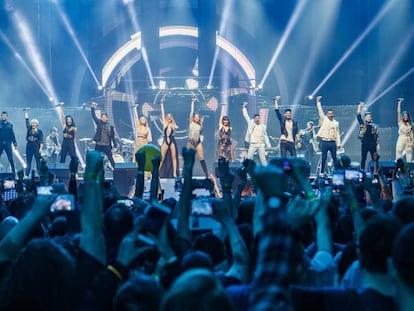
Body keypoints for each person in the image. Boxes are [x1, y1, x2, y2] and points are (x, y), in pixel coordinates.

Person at [315, 96, 341, 175]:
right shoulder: (324, 119)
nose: (330, 115)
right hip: (325, 142)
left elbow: (337, 134)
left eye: (331, 113)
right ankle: (322, 172)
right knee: (324, 158)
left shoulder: (336, 123)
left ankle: (336, 172)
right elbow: (320, 111)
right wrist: (318, 102)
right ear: (327, 114)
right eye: (329, 114)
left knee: (334, 158)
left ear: (333, 114)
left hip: (332, 142)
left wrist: (338, 143)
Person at [90, 102, 117, 170]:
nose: (104, 118)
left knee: (110, 158)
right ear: (101, 118)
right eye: (102, 117)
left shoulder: (110, 126)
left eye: (105, 117)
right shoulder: (99, 123)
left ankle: (116, 170)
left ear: (107, 118)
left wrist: (115, 146)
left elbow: (113, 137)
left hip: (107, 144)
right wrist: (92, 108)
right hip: (99, 143)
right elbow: (94, 116)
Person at [187, 97, 209, 178]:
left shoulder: (200, 124)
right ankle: (187, 174)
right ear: (193, 118)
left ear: (199, 118)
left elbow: (201, 133)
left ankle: (206, 174)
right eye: (195, 117)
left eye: (197, 117)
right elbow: (191, 112)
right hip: (191, 142)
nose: (196, 118)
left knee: (201, 157)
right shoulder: (191, 122)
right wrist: (192, 103)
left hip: (198, 142)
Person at [158, 99, 179, 178]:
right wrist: (162, 104)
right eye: (168, 117)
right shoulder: (164, 123)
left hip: (172, 141)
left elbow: (173, 132)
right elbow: (163, 114)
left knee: (174, 158)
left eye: (170, 117)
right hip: (165, 140)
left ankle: (174, 173)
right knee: (162, 158)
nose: (169, 118)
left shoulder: (174, 125)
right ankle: (157, 172)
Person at [357, 102, 379, 170]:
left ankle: (375, 171)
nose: (368, 118)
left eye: (369, 117)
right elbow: (358, 115)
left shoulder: (374, 126)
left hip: (373, 144)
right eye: (367, 117)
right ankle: (362, 170)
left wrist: (378, 144)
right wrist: (360, 106)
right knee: (363, 158)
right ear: (365, 118)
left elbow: (377, 136)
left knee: (374, 159)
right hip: (365, 144)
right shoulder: (363, 125)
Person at [24, 109, 43, 176]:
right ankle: (26, 174)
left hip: (36, 146)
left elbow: (41, 140)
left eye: (34, 123)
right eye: (32, 123)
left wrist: (40, 148)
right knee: (28, 161)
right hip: (29, 146)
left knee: (38, 161)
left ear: (37, 124)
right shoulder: (29, 129)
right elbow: (27, 121)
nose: (33, 124)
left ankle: (40, 174)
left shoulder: (40, 131)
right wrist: (26, 112)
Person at [396, 98, 413, 162]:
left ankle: (409, 168)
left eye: (406, 116)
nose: (405, 117)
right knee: (399, 151)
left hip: (408, 139)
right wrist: (399, 103)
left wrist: (412, 142)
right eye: (404, 116)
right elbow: (398, 112)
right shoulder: (400, 122)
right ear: (402, 117)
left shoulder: (410, 124)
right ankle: (398, 167)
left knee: (409, 153)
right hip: (401, 137)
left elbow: (411, 134)